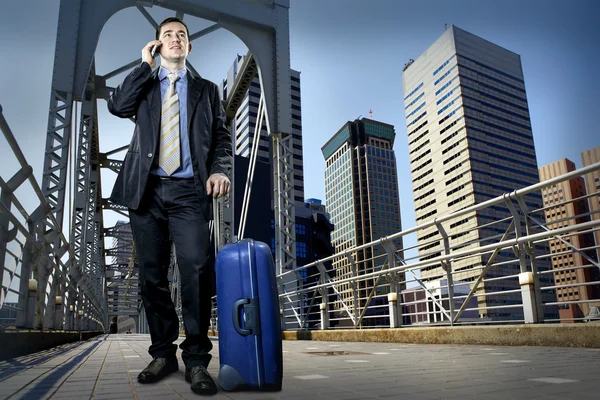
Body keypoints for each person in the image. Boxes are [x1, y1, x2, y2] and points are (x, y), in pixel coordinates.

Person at [107, 17, 231, 396]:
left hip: (190, 193)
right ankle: (162, 353)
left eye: (182, 36)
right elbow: (116, 105)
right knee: (151, 277)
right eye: (167, 36)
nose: (175, 40)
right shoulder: (143, 86)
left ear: (189, 47)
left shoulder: (207, 91)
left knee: (196, 271)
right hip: (146, 192)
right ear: (158, 45)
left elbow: (222, 137)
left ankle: (196, 359)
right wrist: (143, 66)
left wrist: (219, 169)